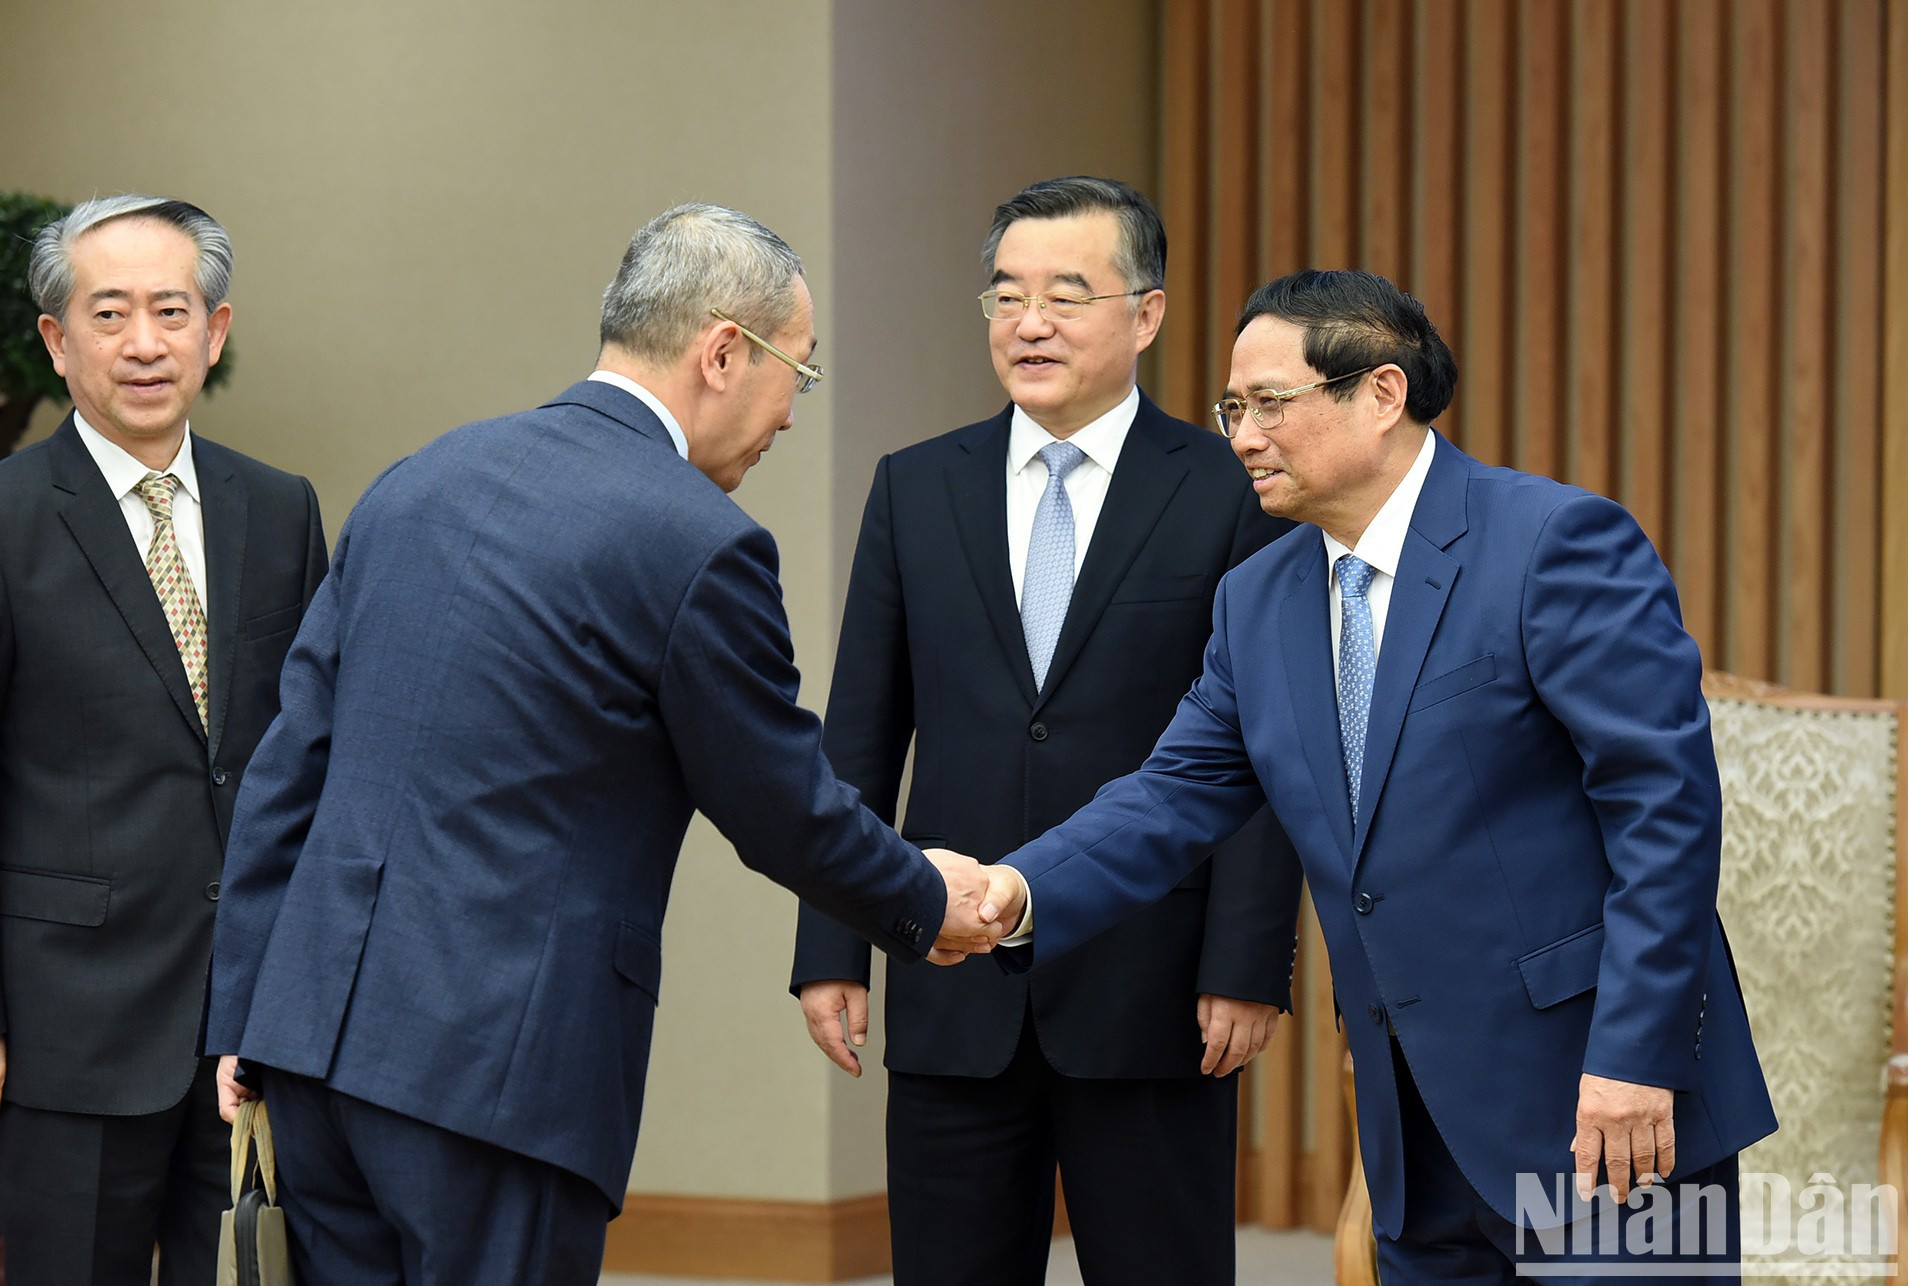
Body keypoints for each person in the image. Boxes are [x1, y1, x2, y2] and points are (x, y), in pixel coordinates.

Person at [203, 202, 1009, 1284]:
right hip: (497, 1073)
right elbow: (781, 803)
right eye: (799, 373)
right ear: (724, 352)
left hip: (311, 1047)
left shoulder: (417, 480)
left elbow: (288, 765)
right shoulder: (700, 541)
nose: (789, 414)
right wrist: (922, 896)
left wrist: (247, 1013)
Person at [985, 269, 1777, 1282]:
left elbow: (1664, 815)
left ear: (1382, 393)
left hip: (1601, 1105)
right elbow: (1168, 796)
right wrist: (1014, 892)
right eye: (1232, 409)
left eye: (1270, 403)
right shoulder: (1254, 600)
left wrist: (1634, 1057)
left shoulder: (1553, 543)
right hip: (1413, 1127)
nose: (1243, 436)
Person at [789, 177, 1300, 1286]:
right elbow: (861, 734)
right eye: (1007, 296)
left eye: (1067, 296)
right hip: (952, 973)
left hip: (1154, 983)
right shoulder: (915, 487)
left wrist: (1247, 958)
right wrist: (834, 941)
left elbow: (1265, 747)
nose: (1030, 323)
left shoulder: (1231, 491)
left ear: (1146, 315)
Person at [0, 196, 327, 1286]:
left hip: (247, 1032)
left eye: (171, 311)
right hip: (63, 1034)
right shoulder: (8, 517)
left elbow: (306, 761)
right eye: (110, 314)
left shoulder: (280, 511)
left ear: (214, 331)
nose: (145, 342)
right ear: (57, 341)